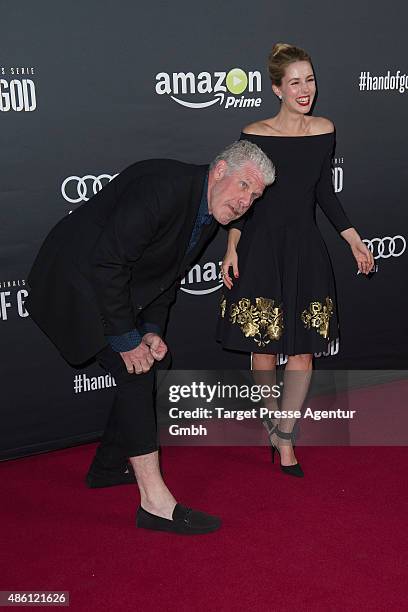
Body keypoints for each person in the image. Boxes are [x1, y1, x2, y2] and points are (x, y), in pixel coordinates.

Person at [26, 141, 275, 535]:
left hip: (108, 285)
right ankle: (154, 503)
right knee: (137, 372)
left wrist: (152, 331)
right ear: (220, 169)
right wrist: (127, 340)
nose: (246, 202)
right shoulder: (164, 187)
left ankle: (109, 467)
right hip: (71, 282)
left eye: (255, 196)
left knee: (155, 365)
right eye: (244, 186)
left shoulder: (210, 209)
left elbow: (165, 277)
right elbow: (106, 262)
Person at [218, 43, 374, 477]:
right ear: (276, 89)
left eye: (310, 80)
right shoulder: (255, 133)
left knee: (303, 352)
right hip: (261, 248)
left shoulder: (325, 130)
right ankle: (272, 420)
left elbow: (324, 191)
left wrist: (353, 240)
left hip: (305, 248)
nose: (306, 90)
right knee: (264, 349)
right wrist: (231, 246)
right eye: (295, 82)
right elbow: (242, 196)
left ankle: (285, 437)